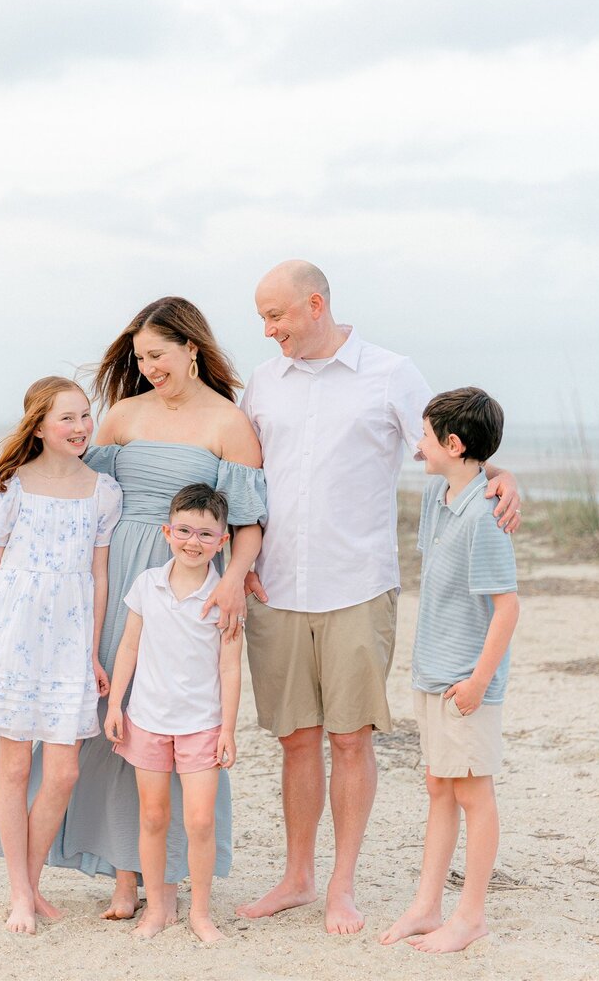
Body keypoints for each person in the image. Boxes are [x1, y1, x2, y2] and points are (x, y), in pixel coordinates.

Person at [236, 260, 521, 935]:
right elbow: (242, 477)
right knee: (296, 741)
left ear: (314, 305)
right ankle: (298, 877)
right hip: (273, 587)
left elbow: (453, 446)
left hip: (358, 585)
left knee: (350, 740)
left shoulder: (390, 373)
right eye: (262, 320)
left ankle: (342, 887)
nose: (268, 331)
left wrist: (505, 478)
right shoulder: (261, 383)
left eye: (275, 316)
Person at [0, 297, 266, 921]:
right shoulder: (122, 417)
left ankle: (171, 872)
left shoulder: (229, 423)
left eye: (158, 355)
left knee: (182, 715)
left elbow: (247, 522)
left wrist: (235, 579)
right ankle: (122, 875)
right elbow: (67, 480)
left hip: (186, 582)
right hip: (108, 586)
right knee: (113, 724)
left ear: (192, 347)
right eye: (140, 358)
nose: (148, 367)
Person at [0, 377, 122, 934]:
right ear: (39, 425)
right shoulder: (13, 486)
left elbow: (99, 575)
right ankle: (22, 895)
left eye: (85, 416)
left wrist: (96, 652)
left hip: (71, 638)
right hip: (12, 630)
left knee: (63, 770)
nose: (80, 428)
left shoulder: (104, 491)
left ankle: (29, 882)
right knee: (13, 766)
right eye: (67, 419)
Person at [380, 387, 519, 953]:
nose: (419, 443)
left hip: (466, 681)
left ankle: (471, 915)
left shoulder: (485, 517)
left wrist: (479, 683)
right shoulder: (439, 497)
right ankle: (426, 905)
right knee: (439, 786)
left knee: (472, 793)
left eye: (426, 435)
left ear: (453, 444)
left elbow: (507, 607)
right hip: (432, 674)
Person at [106, 484, 242, 943]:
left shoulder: (223, 597)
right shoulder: (147, 584)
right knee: (153, 816)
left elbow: (229, 665)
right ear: (167, 532)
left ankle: (200, 913)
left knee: (201, 820)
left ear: (222, 541)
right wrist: (114, 704)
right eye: (183, 531)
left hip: (202, 725)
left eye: (205, 534)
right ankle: (158, 909)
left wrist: (228, 728)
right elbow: (128, 646)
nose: (192, 542)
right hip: (146, 720)